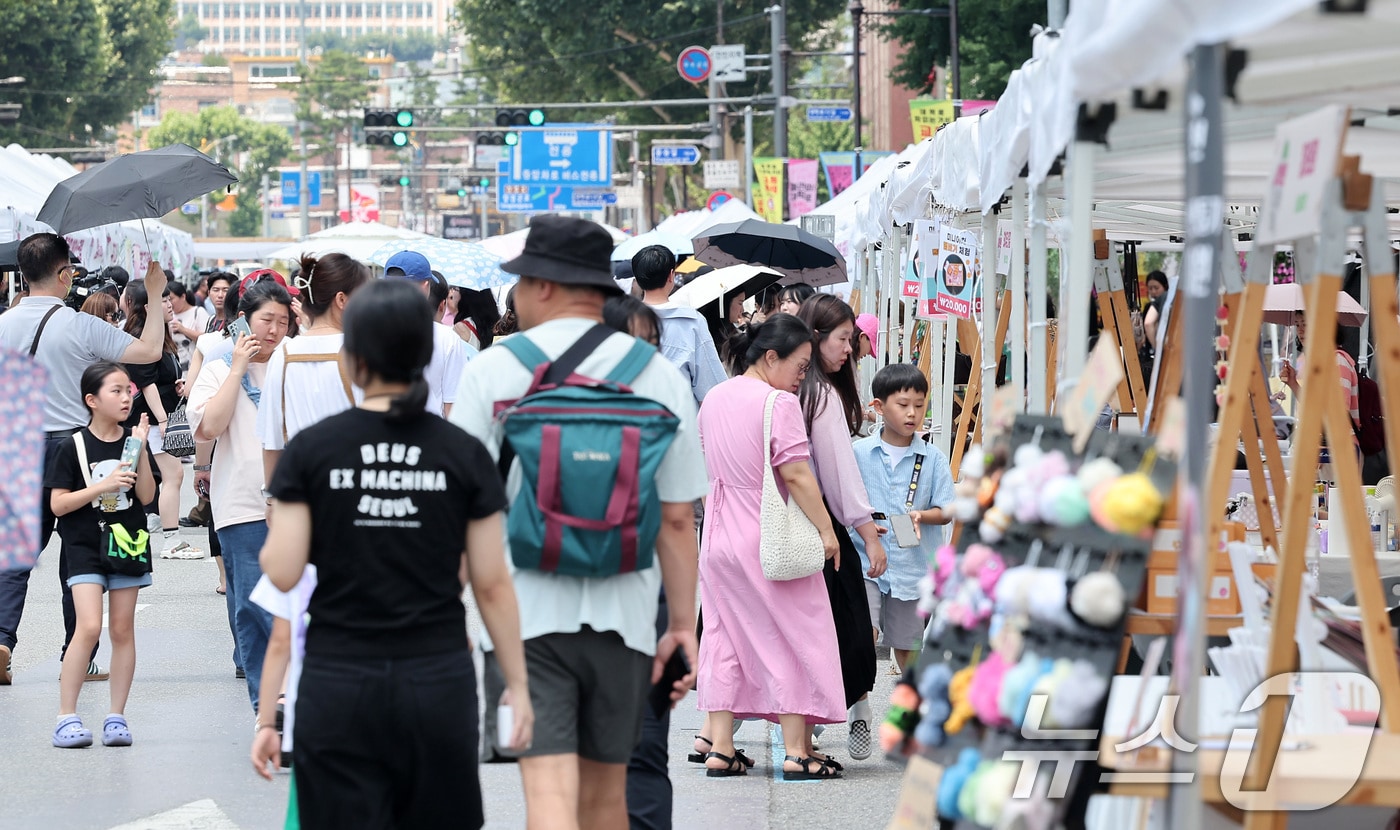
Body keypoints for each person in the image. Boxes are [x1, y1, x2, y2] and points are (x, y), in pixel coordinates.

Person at [450, 215, 704, 830]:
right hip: (626, 617)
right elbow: (676, 521)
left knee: (551, 802)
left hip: (523, 618)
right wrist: (682, 627)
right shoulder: (657, 374)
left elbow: (460, 510)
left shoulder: (493, 369)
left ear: (540, 285)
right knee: (606, 801)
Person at [260, 280, 532, 829]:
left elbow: (283, 571)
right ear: (426, 355)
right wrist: (519, 687)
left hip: (339, 680)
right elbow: (492, 583)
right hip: (436, 677)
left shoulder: (314, 451)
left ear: (353, 358)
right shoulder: (462, 452)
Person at [0, 233, 171, 687]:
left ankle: (1, 638)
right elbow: (149, 351)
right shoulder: (77, 324)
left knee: (15, 552)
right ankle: (77, 654)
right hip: (72, 449)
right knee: (79, 552)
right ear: (63, 274)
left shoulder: (3, 324)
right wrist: (153, 295)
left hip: (16, 446)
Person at [692, 313, 845, 781]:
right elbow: (797, 473)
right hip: (766, 532)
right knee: (797, 631)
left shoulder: (714, 398)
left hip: (717, 532)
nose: (802, 377)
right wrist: (826, 531)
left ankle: (720, 747)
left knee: (723, 637)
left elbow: (704, 468)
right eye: (800, 367)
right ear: (771, 356)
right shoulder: (776, 404)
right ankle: (798, 751)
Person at [189, 280, 293, 712]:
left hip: (294, 505)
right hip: (241, 506)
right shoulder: (218, 369)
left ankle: (291, 696)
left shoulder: (295, 366)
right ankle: (268, 706)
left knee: (296, 607)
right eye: (266, 320)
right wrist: (237, 368)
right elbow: (209, 427)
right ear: (244, 321)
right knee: (252, 607)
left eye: (283, 322)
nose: (273, 330)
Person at [795, 294, 887, 761]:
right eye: (844, 339)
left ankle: (808, 722)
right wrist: (866, 532)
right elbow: (839, 475)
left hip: (785, 522)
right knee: (844, 622)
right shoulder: (822, 395)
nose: (849, 349)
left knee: (804, 625)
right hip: (822, 523)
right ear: (815, 338)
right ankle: (855, 710)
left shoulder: (787, 388)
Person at [46, 361, 156, 747]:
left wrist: (140, 448)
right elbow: (58, 505)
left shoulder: (133, 440)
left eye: (128, 390)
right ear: (91, 400)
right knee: (89, 626)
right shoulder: (70, 446)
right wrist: (102, 486)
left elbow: (145, 497)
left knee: (123, 629)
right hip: (84, 546)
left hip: (127, 543)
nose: (126, 397)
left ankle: (116, 718)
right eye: (116, 391)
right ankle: (66, 717)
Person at [851, 364, 954, 674]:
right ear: (879, 407)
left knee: (908, 646)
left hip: (912, 568)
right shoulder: (858, 453)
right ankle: (859, 709)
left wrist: (923, 516)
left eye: (920, 406)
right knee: (860, 637)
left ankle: (911, 707)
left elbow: (948, 509)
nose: (912, 414)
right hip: (865, 563)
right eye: (903, 405)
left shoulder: (932, 457)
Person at [257, 253, 371, 484]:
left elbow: (271, 441)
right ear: (342, 300)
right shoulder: (362, 351)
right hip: (354, 489)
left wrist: (271, 499)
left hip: (301, 489)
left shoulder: (284, 354)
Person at [121, 280, 201, 559]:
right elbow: (146, 383)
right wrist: (163, 419)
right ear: (148, 306)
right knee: (168, 475)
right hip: (150, 418)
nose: (170, 305)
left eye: (169, 300)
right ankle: (170, 538)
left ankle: (167, 535)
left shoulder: (158, 334)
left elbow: (158, 378)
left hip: (158, 416)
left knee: (166, 475)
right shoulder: (142, 334)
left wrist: (176, 384)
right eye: (163, 300)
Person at [631, 245, 728, 405]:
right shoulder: (691, 321)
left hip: (632, 420)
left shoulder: (622, 319)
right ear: (671, 276)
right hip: (681, 420)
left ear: (638, 279)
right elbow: (711, 387)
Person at [383, 251, 470, 417]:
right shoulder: (447, 338)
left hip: (378, 437)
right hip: (429, 437)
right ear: (425, 286)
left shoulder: (368, 332)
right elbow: (453, 407)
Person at [168, 281, 211, 371]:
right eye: (165, 300)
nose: (169, 303)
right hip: (177, 371)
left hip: (197, 369)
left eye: (171, 299)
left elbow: (208, 338)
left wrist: (183, 330)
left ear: (183, 297)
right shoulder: (168, 316)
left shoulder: (198, 312)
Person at [1142, 270, 1169, 352]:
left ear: (1165, 286)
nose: (1153, 291)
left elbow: (1148, 324)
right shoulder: (1148, 307)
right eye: (1150, 288)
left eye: (1156, 288)